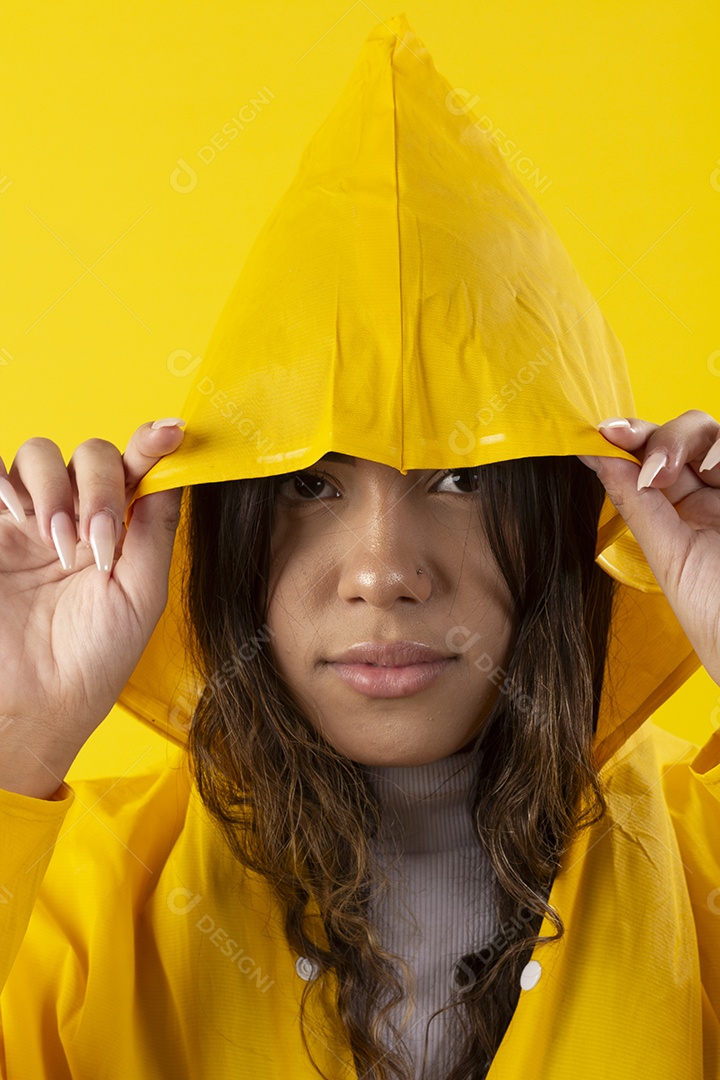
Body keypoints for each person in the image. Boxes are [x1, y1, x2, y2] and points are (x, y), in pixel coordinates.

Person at [1, 13, 719, 1080]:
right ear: (227, 531)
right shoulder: (73, 896)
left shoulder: (702, 870)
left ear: (579, 521)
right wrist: (10, 735)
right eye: (307, 483)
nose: (384, 573)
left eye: (463, 478)